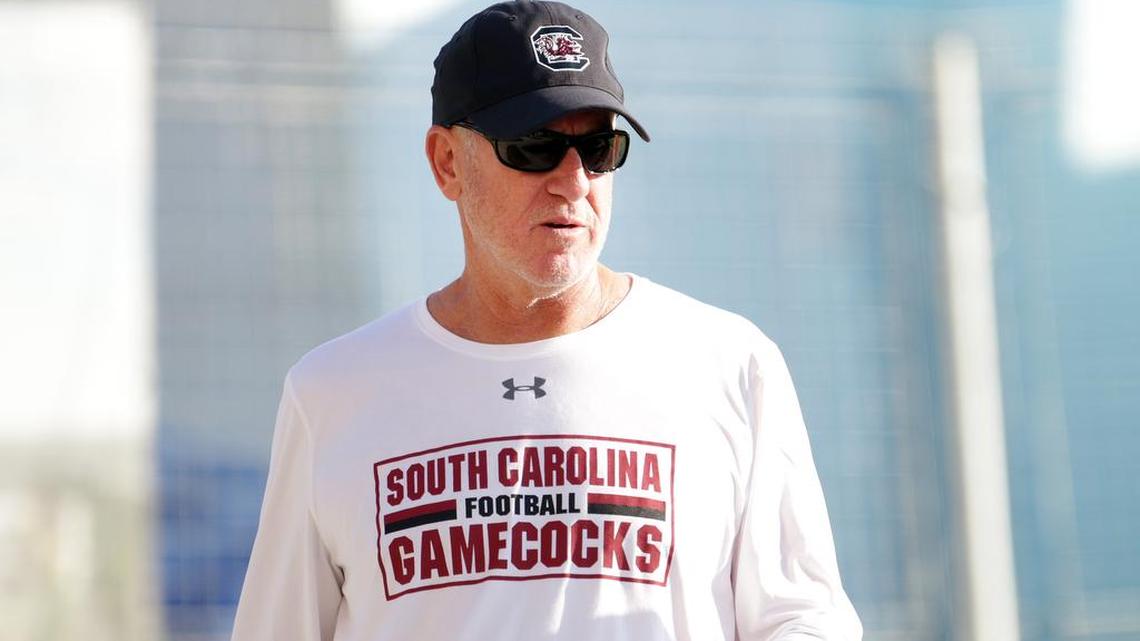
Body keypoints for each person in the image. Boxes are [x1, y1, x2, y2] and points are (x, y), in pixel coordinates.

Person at [231, 1, 863, 639]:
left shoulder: (730, 365)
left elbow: (803, 619)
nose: (573, 180)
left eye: (597, 147)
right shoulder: (332, 393)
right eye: (533, 146)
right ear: (447, 162)